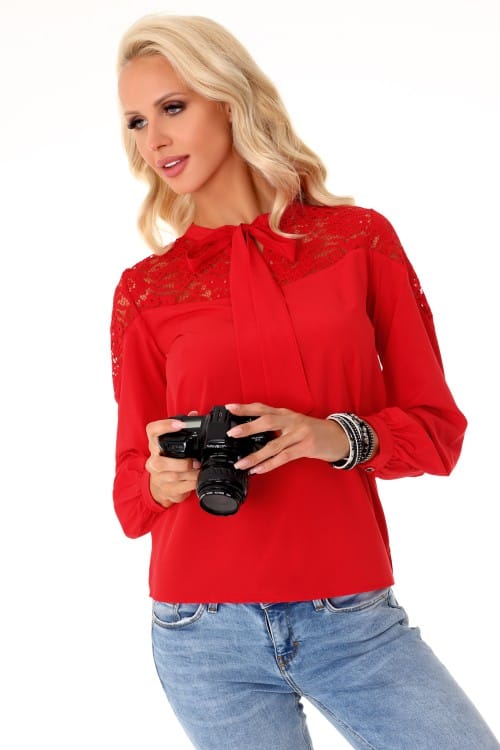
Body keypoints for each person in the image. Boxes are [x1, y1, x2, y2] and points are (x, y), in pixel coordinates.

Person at [110, 13, 499, 750]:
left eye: (172, 107)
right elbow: (131, 496)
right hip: (201, 629)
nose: (152, 139)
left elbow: (437, 433)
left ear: (230, 99)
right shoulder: (146, 290)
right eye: (135, 122)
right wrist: (162, 478)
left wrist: (332, 436)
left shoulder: (358, 243)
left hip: (350, 617)